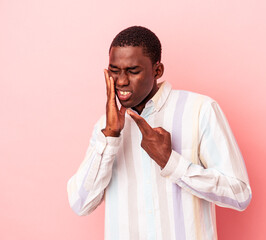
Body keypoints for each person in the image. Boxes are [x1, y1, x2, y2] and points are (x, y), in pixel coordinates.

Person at [67, 26, 252, 240]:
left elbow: (239, 194)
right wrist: (110, 137)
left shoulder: (200, 110)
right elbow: (80, 204)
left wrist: (170, 162)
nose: (121, 81)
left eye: (133, 71)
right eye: (114, 71)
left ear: (158, 70)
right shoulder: (106, 127)